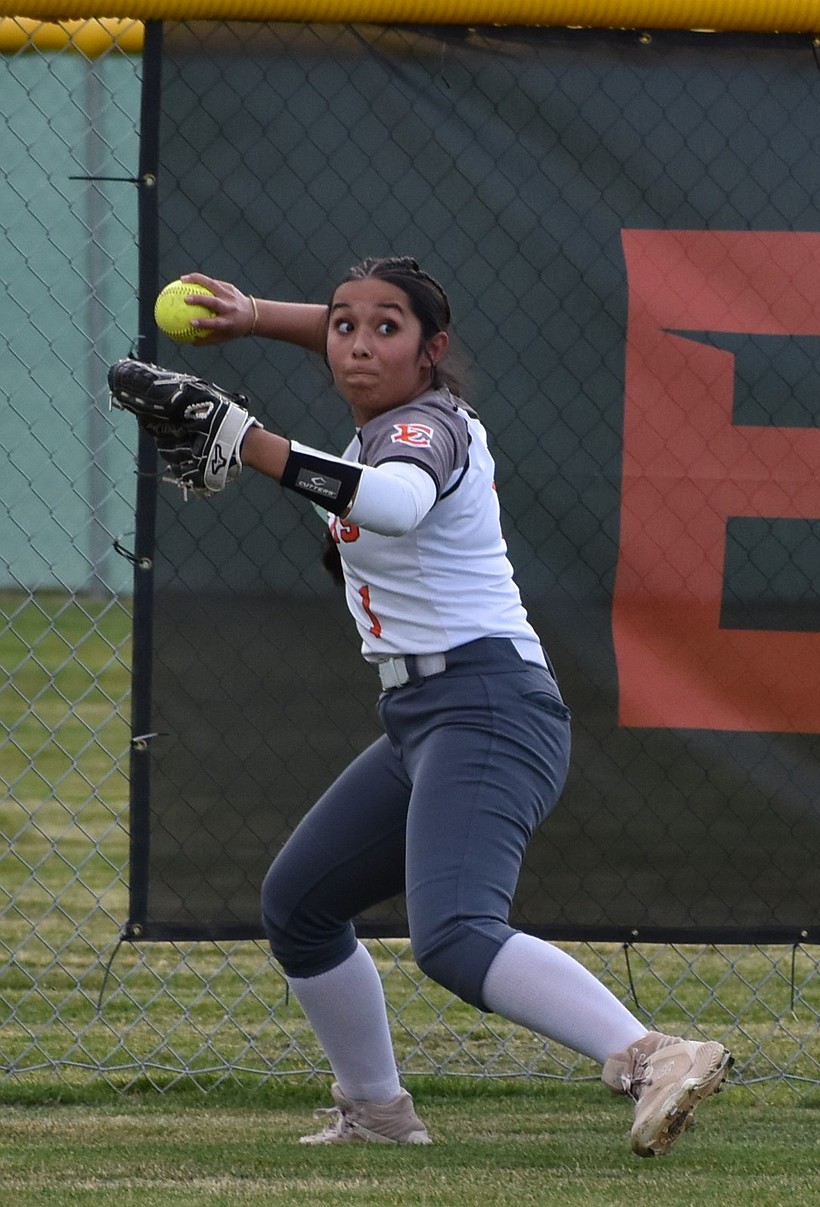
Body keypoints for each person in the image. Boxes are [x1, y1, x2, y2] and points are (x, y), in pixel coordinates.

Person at [133, 257, 733, 1155]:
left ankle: (653, 1054)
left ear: (432, 350)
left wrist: (251, 441)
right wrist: (253, 315)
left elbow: (395, 507)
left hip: (489, 706)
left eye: (389, 330)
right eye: (343, 327)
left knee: (453, 934)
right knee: (299, 905)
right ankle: (376, 1109)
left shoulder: (426, 427)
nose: (359, 346)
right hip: (424, 714)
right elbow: (356, 342)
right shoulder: (378, 406)